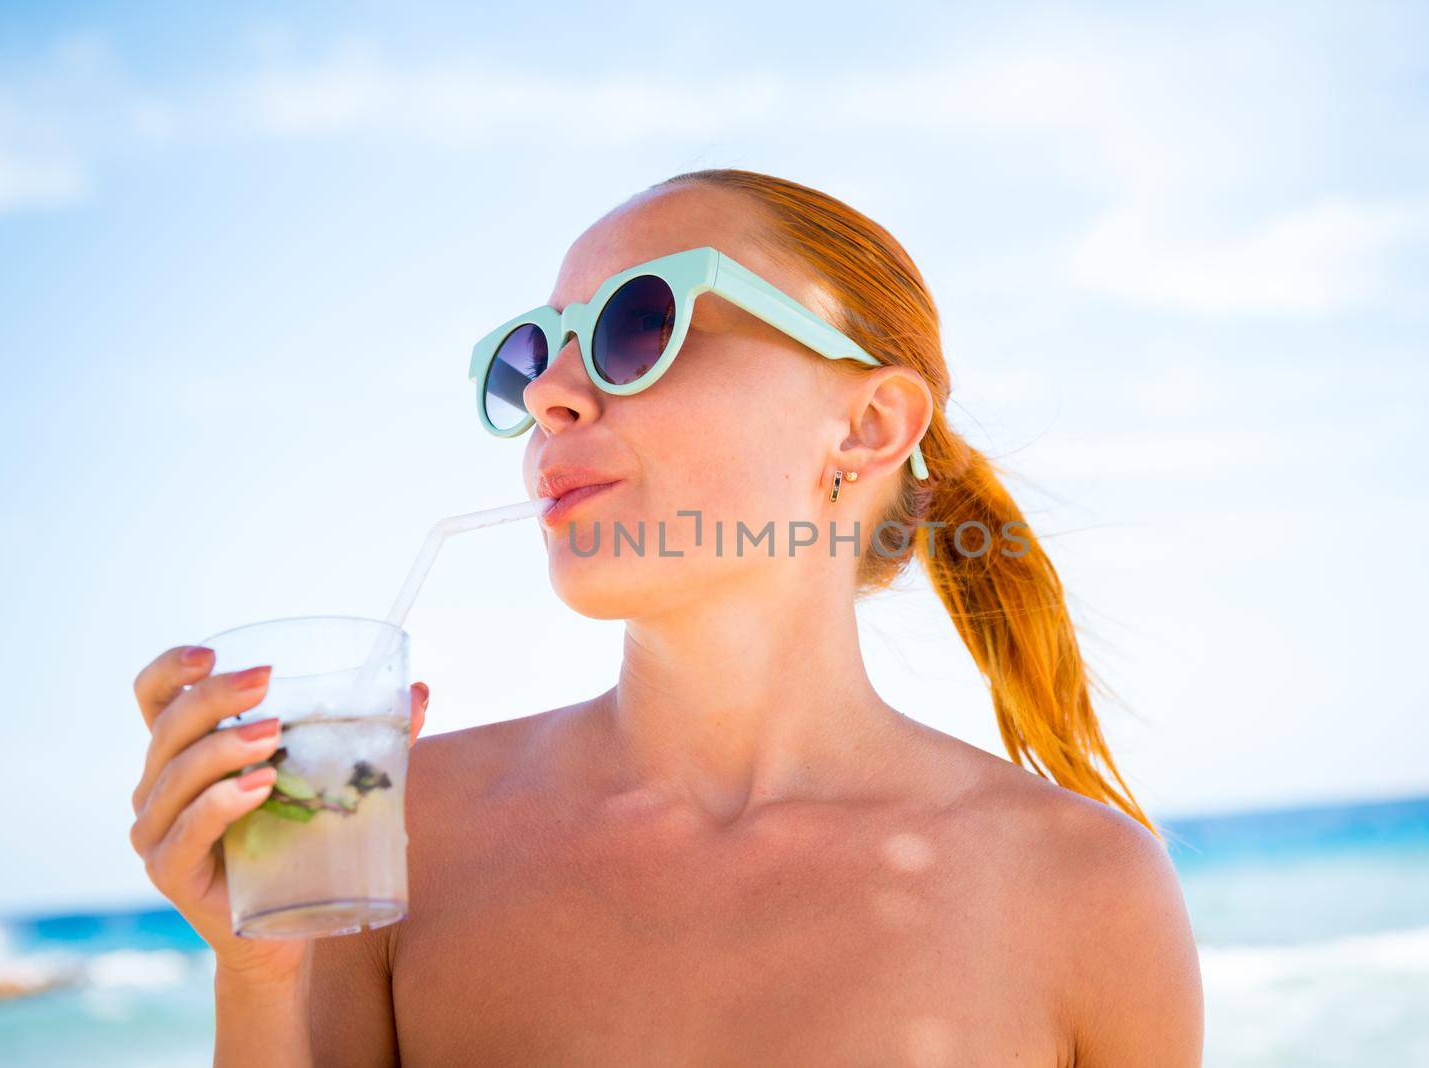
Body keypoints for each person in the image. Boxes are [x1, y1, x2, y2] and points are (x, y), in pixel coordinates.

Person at [130, 168, 1203, 1066]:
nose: (550, 394)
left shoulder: (1086, 893)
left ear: (868, 423)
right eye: (529, 355)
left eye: (636, 325)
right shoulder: (386, 838)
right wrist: (259, 977)